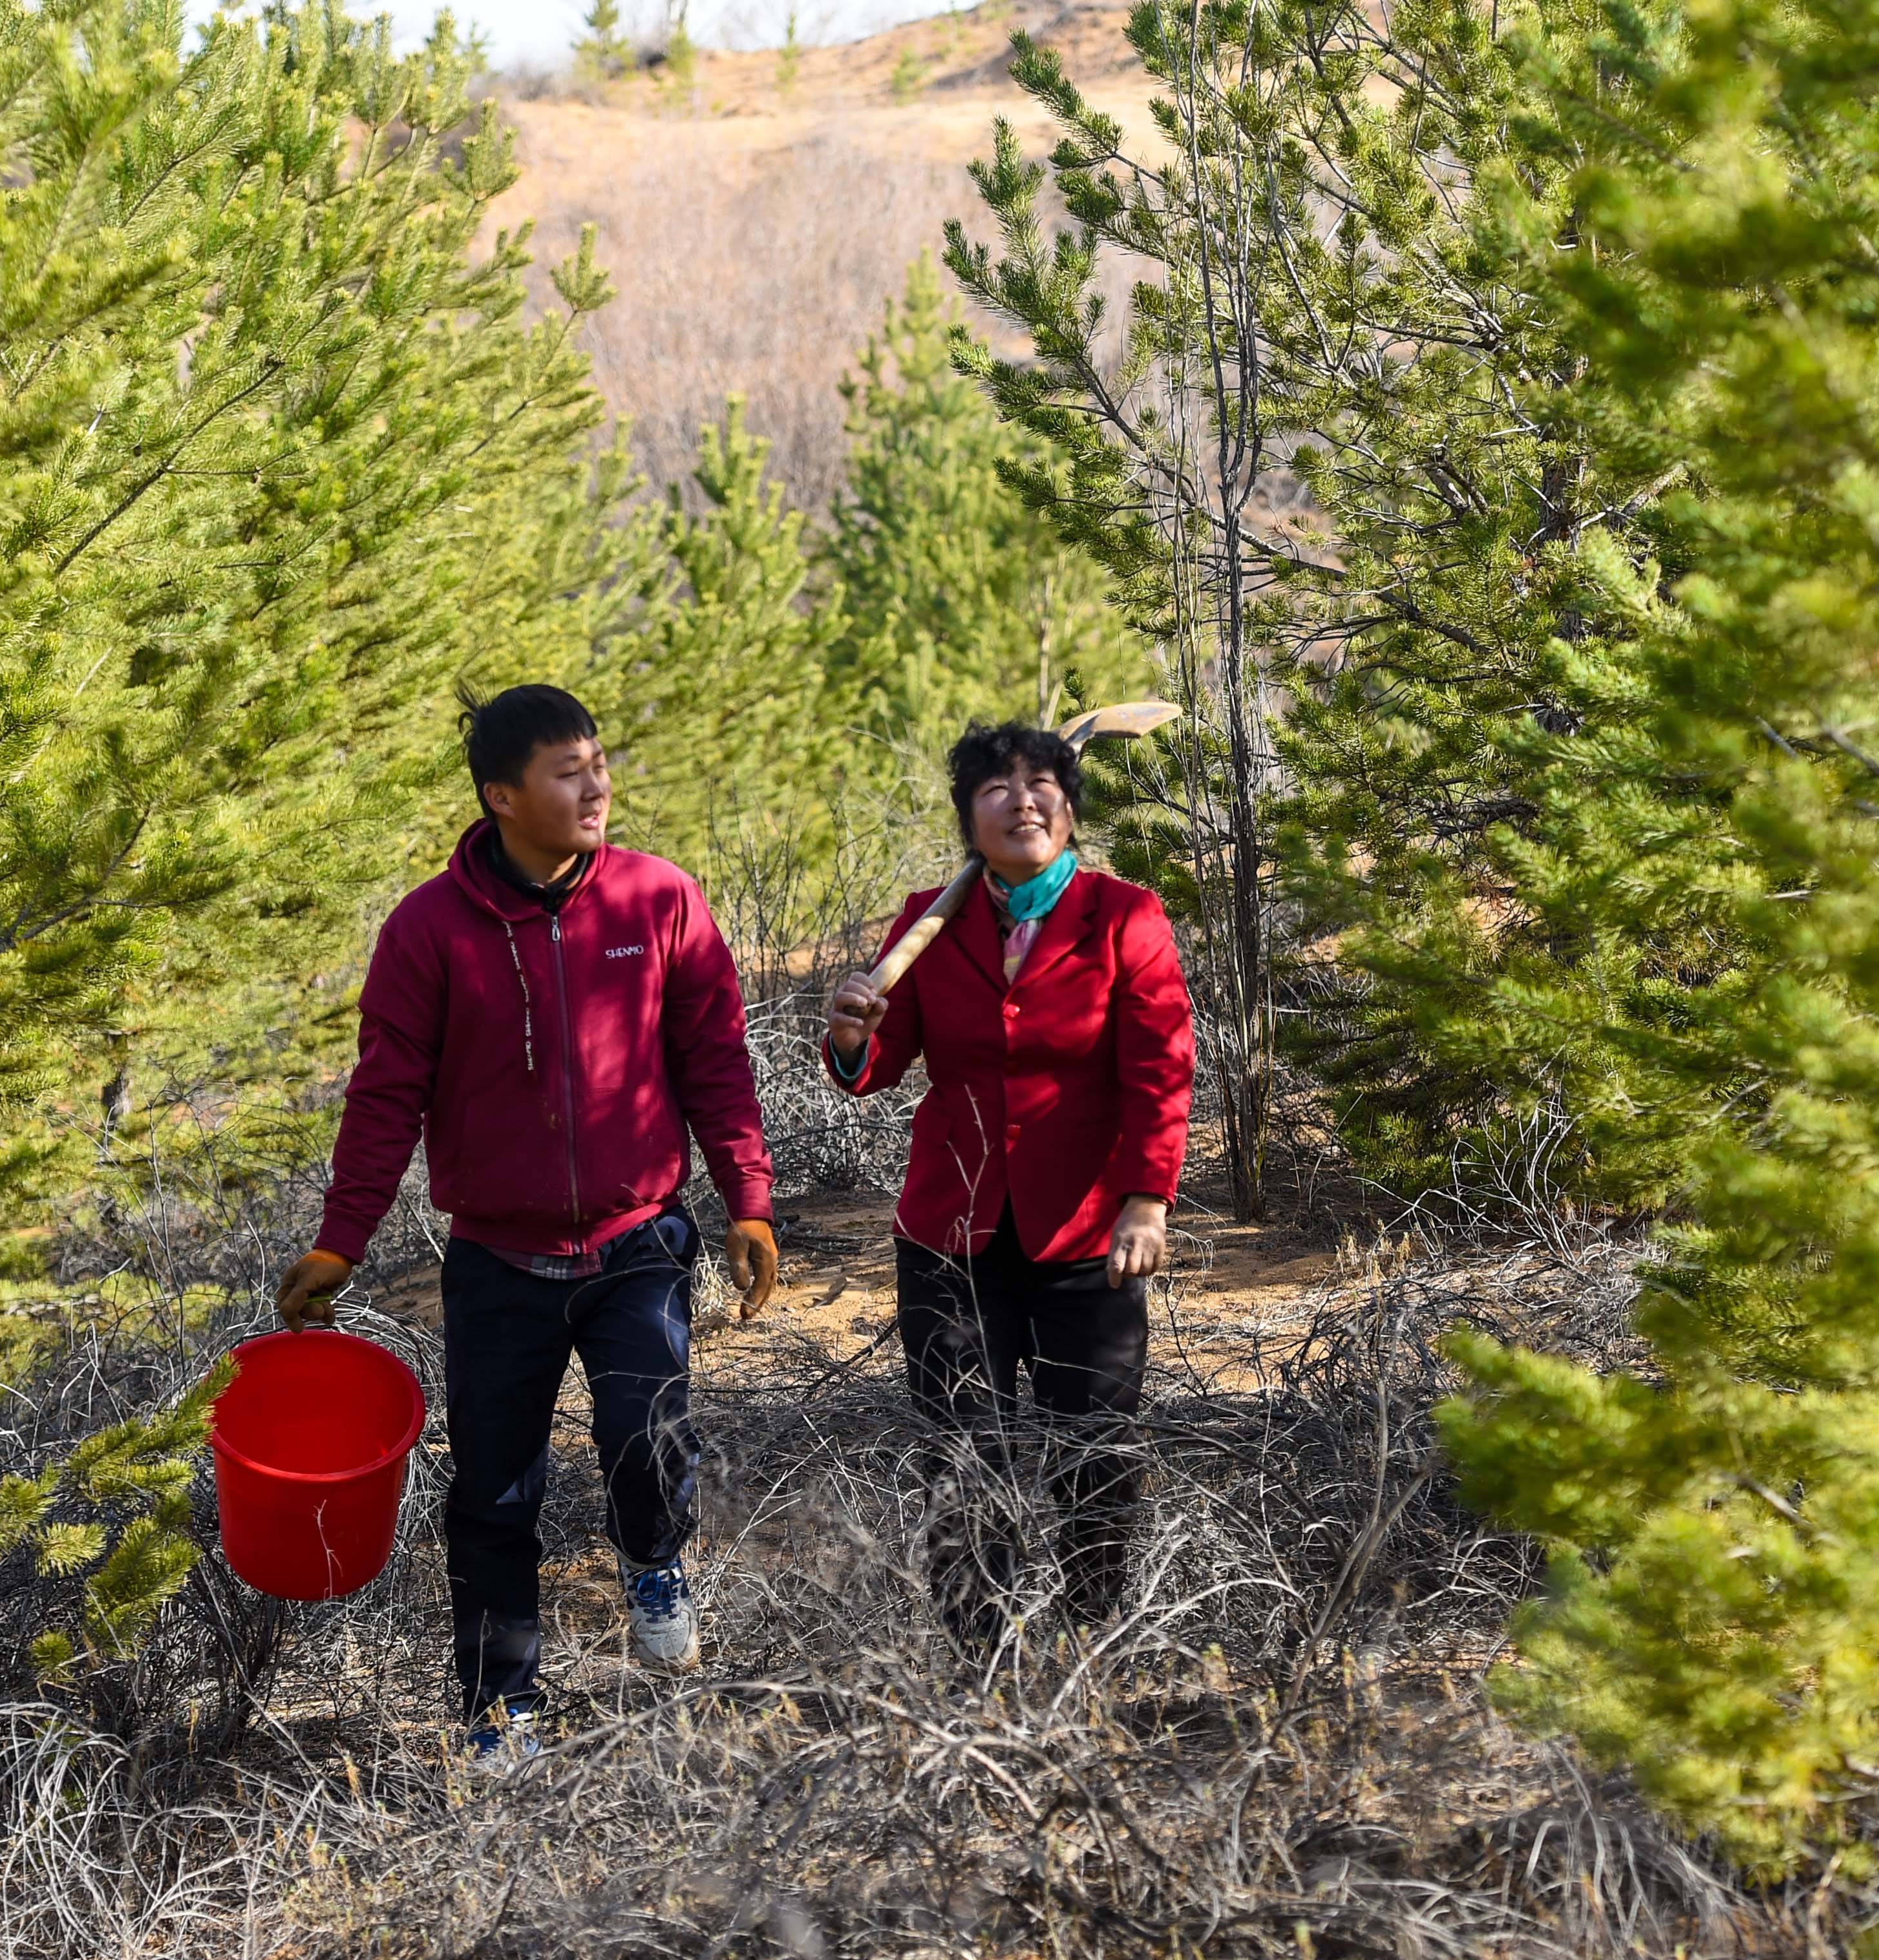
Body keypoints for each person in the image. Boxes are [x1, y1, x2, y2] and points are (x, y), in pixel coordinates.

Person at [273, 684, 780, 1756]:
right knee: (494, 1495)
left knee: (646, 1438)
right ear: (501, 796)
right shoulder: (427, 931)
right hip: (498, 1261)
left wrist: (747, 1194)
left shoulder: (660, 900)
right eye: (567, 770)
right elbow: (384, 1098)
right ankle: (502, 1708)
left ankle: (654, 1556)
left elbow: (715, 1061)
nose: (595, 785)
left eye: (599, 761)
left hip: (637, 1238)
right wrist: (340, 1239)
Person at [821, 723, 1194, 1644]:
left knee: (1091, 1451)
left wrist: (1146, 1198)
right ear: (967, 817)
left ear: (1068, 808)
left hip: (1085, 1232)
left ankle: (1087, 1632)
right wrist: (851, 1037)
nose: (1020, 799)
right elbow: (880, 1063)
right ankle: (977, 1648)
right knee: (961, 1450)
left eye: (1040, 783)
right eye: (995, 787)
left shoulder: (1125, 915)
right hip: (951, 1229)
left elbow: (1161, 1067)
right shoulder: (927, 919)